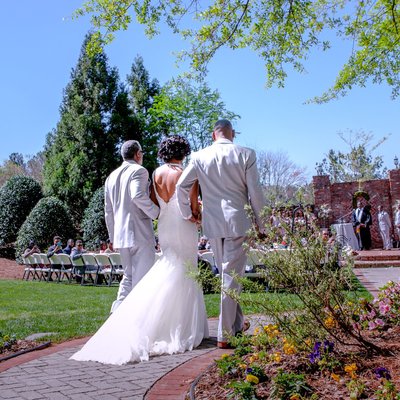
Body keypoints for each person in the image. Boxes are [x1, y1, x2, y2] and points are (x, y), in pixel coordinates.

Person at [70, 135, 208, 365]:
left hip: (154, 229)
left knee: (140, 275)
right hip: (176, 227)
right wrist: (196, 214)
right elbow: (189, 203)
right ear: (183, 152)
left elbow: (112, 209)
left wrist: (115, 235)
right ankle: (148, 326)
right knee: (177, 272)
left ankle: (121, 317)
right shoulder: (175, 173)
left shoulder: (148, 174)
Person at [176, 119, 266, 349]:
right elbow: (255, 192)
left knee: (227, 275)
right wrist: (262, 224)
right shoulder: (246, 154)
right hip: (238, 221)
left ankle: (236, 326)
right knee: (231, 277)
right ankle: (225, 335)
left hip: (213, 223)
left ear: (214, 135)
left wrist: (188, 212)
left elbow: (181, 186)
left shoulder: (199, 156)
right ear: (232, 134)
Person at [104, 140, 160, 313]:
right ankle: (138, 319)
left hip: (121, 236)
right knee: (144, 279)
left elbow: (108, 211)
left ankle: (117, 313)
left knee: (128, 277)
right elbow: (137, 196)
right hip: (139, 232)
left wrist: (113, 237)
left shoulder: (111, 177)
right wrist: (157, 213)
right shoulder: (139, 171)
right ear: (138, 154)